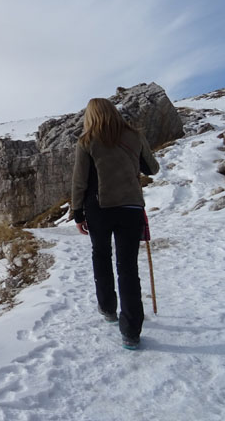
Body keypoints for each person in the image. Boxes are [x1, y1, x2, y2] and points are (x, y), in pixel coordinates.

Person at [71, 98, 159, 350]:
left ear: (91, 116)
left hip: (99, 208)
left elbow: (80, 181)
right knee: (128, 266)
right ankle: (131, 331)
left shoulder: (87, 141)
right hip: (131, 207)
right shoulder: (135, 136)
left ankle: (108, 308)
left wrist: (78, 213)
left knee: (101, 255)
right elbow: (152, 168)